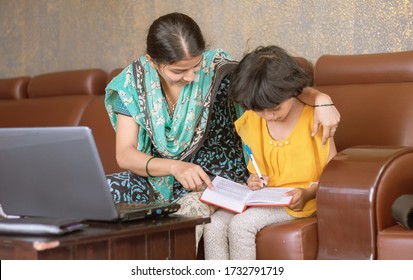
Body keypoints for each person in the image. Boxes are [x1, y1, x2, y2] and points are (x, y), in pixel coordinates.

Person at [104, 13, 339, 248]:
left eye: (195, 66)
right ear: (152, 62)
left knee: (186, 213)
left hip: (217, 179)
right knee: (100, 196)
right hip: (161, 177)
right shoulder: (133, 83)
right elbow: (125, 154)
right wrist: (175, 167)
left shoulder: (218, 71)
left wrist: (321, 98)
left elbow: (273, 88)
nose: (191, 76)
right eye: (178, 71)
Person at [203, 45, 338, 260]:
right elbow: (257, 168)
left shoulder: (314, 120)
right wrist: (254, 180)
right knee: (214, 225)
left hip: (300, 200)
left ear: (293, 90)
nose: (268, 116)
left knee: (241, 225)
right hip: (265, 198)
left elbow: (333, 176)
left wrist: (308, 193)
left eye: (275, 108)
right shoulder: (253, 121)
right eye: (259, 110)